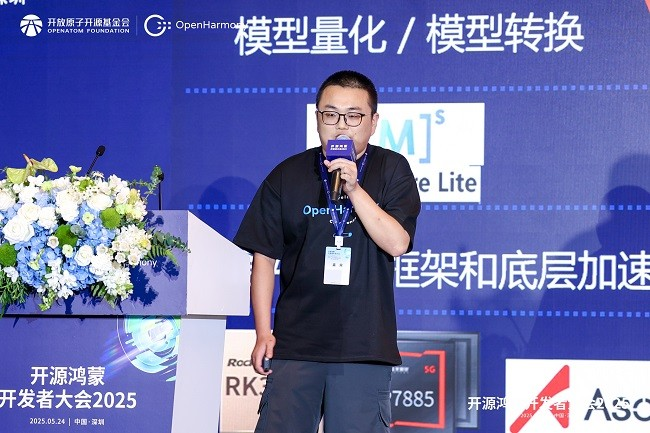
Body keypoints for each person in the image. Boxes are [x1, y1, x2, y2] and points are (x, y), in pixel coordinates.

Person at [233, 70, 421, 433]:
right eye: (331, 114)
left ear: (373, 122)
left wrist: (354, 189)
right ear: (317, 118)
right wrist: (263, 332)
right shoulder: (287, 174)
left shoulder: (391, 168)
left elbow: (397, 243)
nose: (341, 126)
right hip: (294, 345)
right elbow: (263, 258)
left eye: (353, 116)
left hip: (363, 345)